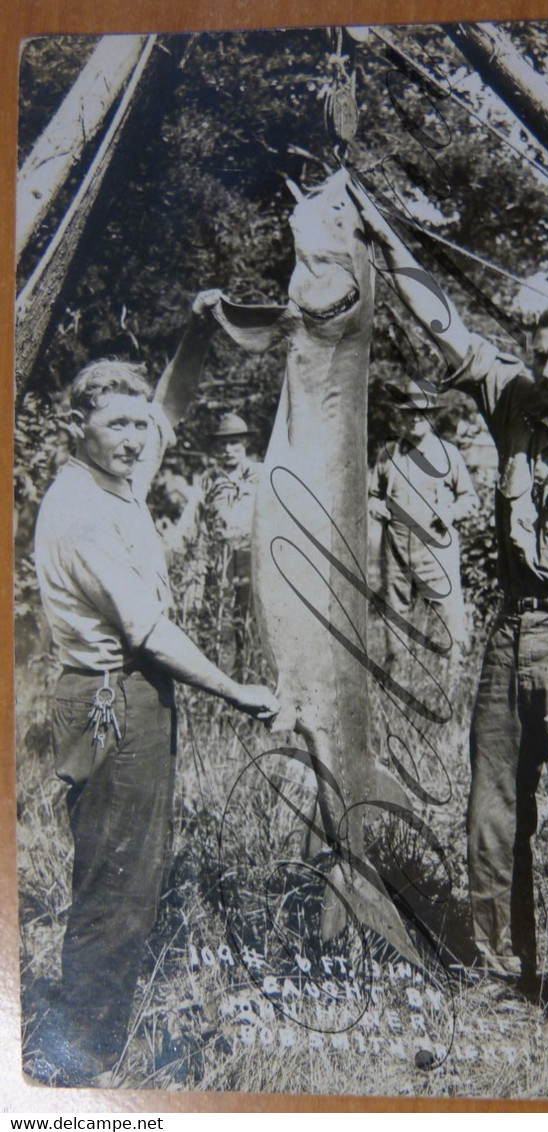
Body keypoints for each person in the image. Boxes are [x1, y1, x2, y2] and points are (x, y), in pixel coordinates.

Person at [352, 187, 548, 1041]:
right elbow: (445, 331)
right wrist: (384, 233)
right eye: (542, 355)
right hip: (509, 630)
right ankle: (499, 975)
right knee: (492, 812)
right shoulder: (517, 402)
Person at [31, 294, 279, 1085]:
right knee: (116, 879)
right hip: (112, 697)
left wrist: (199, 336)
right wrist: (239, 691)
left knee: (125, 869)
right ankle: (76, 1059)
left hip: (124, 694)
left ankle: (90, 1036)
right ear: (80, 428)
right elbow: (150, 633)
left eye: (141, 429)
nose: (140, 440)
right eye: (120, 428)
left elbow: (167, 406)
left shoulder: (115, 477)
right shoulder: (84, 511)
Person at [369, 384, 479, 671]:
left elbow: (470, 499)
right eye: (409, 414)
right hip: (395, 546)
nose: (416, 419)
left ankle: (455, 674)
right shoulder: (389, 454)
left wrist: (449, 512)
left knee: (448, 610)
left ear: (432, 417)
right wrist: (376, 505)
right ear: (401, 418)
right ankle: (399, 675)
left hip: (435, 546)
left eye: (423, 414)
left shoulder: (448, 455)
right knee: (395, 610)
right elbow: (374, 494)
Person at [167, 412, 262, 676]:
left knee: (252, 621)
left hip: (252, 556)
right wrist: (174, 551)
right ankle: (222, 687)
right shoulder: (209, 479)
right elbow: (191, 518)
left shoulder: (260, 474)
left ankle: (253, 681)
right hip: (220, 557)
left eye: (234, 443)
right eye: (223, 444)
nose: (228, 450)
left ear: (245, 444)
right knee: (221, 621)